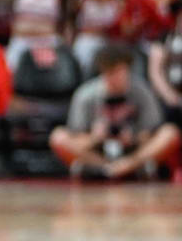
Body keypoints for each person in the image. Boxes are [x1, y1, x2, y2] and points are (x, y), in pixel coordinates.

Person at [49, 42, 181, 180]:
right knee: (58, 137)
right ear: (102, 71)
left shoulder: (142, 91)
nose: (115, 77)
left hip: (132, 151)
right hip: (97, 150)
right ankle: (106, 168)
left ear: (127, 69)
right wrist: (95, 137)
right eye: (110, 72)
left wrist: (133, 138)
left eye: (119, 71)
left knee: (170, 133)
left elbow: (150, 133)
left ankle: (128, 166)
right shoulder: (85, 95)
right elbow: (76, 137)